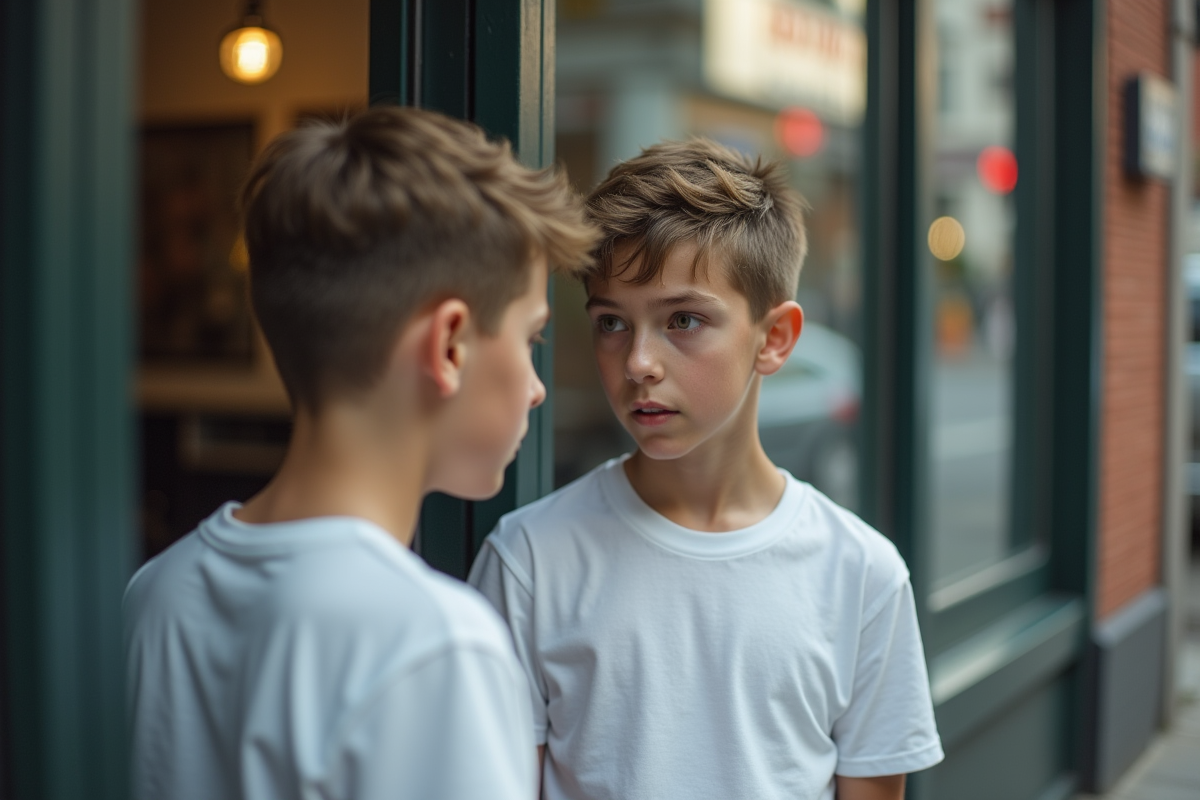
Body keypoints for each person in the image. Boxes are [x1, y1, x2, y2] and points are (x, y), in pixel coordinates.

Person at [124, 106, 597, 800]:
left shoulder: (157, 593)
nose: (535, 388)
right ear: (450, 345)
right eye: (531, 339)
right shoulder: (438, 645)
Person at [469, 139, 943, 800]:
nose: (638, 363)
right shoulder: (529, 561)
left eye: (683, 320)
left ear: (773, 339)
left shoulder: (862, 576)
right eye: (612, 322)